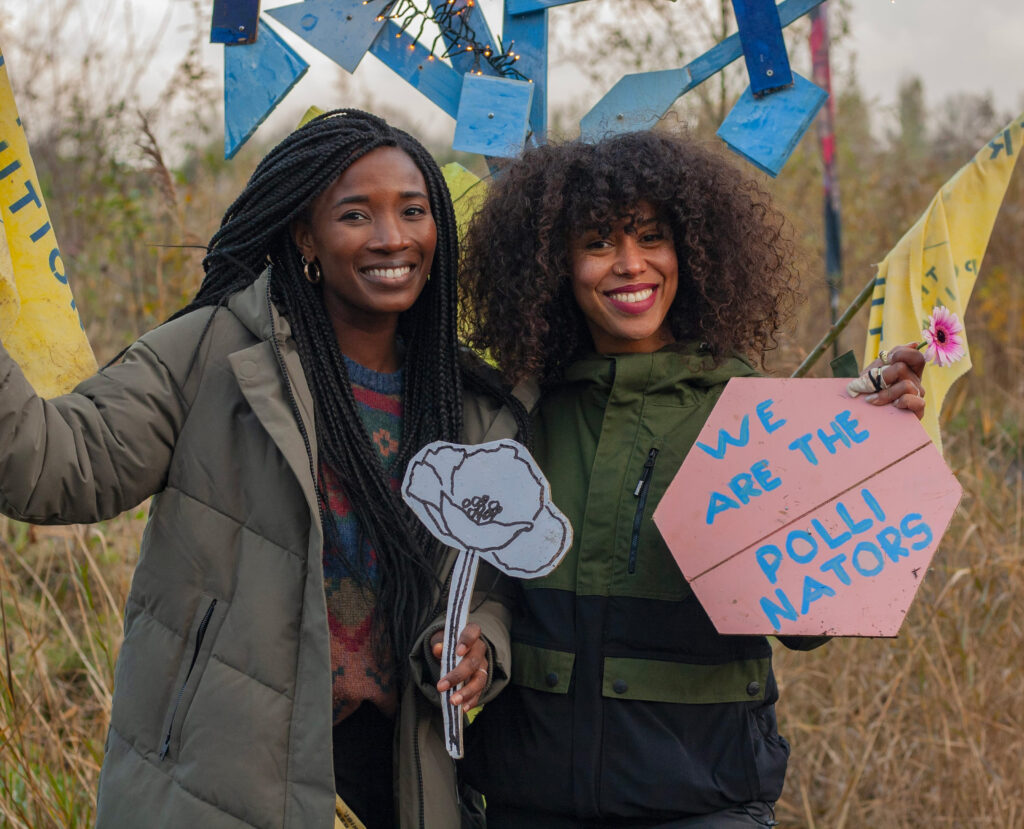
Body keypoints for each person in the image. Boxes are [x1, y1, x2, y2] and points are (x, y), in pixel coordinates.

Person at [0, 110, 528, 829]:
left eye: (413, 210)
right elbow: (54, 467)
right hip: (220, 782)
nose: (392, 237)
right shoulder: (215, 353)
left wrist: (481, 646)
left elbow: (495, 591)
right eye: (355, 214)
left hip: (401, 785)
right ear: (305, 235)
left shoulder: (470, 410)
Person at [457, 130, 925, 828]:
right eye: (597, 242)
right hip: (532, 799)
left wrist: (859, 452)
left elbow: (804, 625)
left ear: (693, 252)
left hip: (704, 802)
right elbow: (485, 589)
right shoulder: (517, 417)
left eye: (651, 237)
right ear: (555, 264)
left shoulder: (749, 414)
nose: (629, 264)